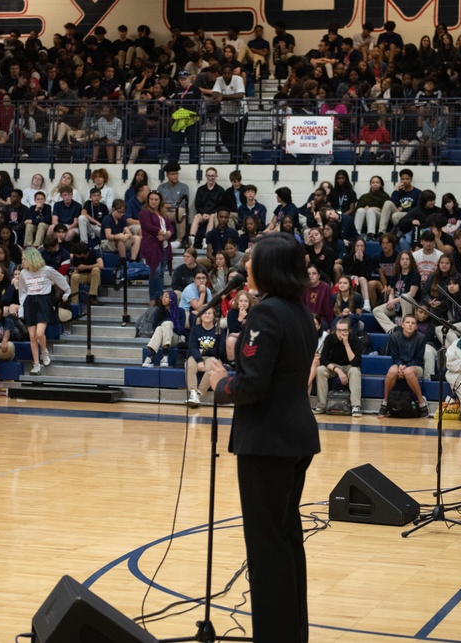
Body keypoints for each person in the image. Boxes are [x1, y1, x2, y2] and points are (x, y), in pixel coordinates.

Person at [207, 232, 319, 643]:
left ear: (268, 267)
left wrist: (221, 383)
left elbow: (252, 386)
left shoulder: (267, 313)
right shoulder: (299, 311)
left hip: (267, 441)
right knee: (287, 539)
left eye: (252, 259)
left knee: (267, 546)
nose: (245, 266)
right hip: (295, 437)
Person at [18, 247, 69, 375]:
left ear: (31, 259)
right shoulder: (23, 273)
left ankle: (44, 352)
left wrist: (67, 291)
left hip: (43, 301)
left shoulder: (46, 270)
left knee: (39, 334)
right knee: (32, 336)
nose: (22, 261)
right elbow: (23, 291)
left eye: (24, 259)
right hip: (30, 302)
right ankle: (36, 364)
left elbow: (60, 279)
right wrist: (21, 308)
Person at [380, 314, 430, 418]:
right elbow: (395, 357)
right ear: (402, 324)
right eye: (407, 322)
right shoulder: (394, 337)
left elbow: (418, 359)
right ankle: (385, 402)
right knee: (392, 371)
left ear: (416, 326)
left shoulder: (421, 338)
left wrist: (405, 368)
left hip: (416, 367)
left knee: (408, 372)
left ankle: (421, 403)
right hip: (399, 365)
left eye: (413, 323)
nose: (410, 325)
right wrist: (400, 366)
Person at [313, 317, 363, 417]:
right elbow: (324, 359)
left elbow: (355, 363)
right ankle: (321, 405)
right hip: (334, 366)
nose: (341, 333)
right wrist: (338, 371)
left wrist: (346, 344)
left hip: (349, 366)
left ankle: (355, 406)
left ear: (349, 330)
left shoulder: (355, 340)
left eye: (344, 330)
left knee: (355, 371)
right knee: (320, 370)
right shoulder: (330, 338)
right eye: (338, 330)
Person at [139, 190, 173, 303]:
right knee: (155, 271)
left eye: (156, 199)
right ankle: (153, 298)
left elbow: (170, 228)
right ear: (148, 200)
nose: (153, 202)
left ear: (160, 201)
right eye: (151, 199)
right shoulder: (145, 212)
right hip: (151, 245)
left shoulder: (162, 213)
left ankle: (160, 297)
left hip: (163, 245)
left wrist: (167, 234)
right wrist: (163, 232)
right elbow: (147, 226)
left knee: (162, 273)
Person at [184, 306, 222, 407]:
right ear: (200, 315)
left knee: (212, 366)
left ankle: (198, 394)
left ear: (214, 316)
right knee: (189, 364)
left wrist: (204, 351)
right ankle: (192, 392)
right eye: (205, 313)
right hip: (197, 356)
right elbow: (193, 348)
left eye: (210, 313)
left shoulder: (219, 330)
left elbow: (219, 350)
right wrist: (199, 360)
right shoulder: (195, 330)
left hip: (211, 358)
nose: (207, 315)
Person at [142, 290, 185, 367]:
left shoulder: (180, 311)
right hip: (162, 337)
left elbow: (181, 330)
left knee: (168, 324)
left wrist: (168, 325)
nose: (163, 299)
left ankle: (156, 355)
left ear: (173, 299)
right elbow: (154, 327)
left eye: (166, 297)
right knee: (159, 329)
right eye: (162, 297)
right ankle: (159, 357)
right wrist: (165, 325)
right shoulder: (158, 311)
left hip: (176, 338)